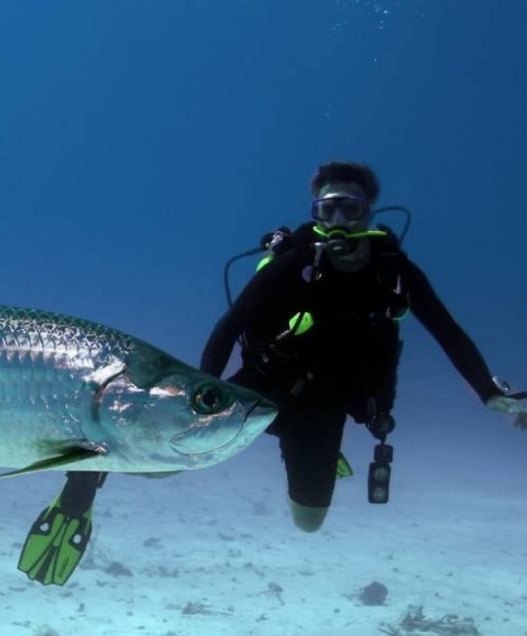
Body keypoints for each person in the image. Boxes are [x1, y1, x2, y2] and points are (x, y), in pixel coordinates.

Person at [199, 161, 525, 532]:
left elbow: (447, 331)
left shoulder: (393, 269)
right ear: (316, 213)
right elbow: (230, 326)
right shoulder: (294, 262)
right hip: (269, 380)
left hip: (327, 403)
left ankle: (313, 451)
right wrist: (202, 389)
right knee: (167, 461)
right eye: (327, 209)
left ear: (368, 213)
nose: (339, 219)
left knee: (309, 521)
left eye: (350, 208)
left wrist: (487, 391)